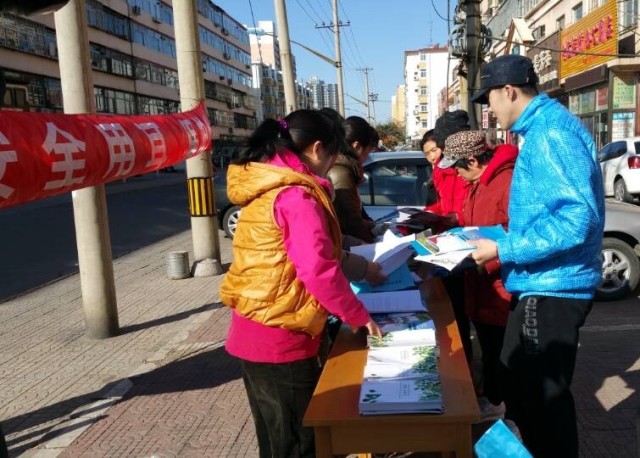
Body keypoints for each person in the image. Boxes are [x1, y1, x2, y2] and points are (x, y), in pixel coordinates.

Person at [220, 110, 382, 458]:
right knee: (299, 444)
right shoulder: (297, 197)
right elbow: (318, 270)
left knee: (277, 438)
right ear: (318, 149)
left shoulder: (267, 186)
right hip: (282, 335)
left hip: (255, 327)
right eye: (334, 155)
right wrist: (359, 316)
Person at [469, 54, 605, 458]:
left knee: (543, 400)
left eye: (489, 99)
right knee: (517, 386)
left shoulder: (550, 133)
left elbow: (577, 219)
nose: (489, 109)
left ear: (508, 91)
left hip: (553, 288)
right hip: (541, 282)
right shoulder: (543, 128)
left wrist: (504, 247)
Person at [438, 130, 518, 423]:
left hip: (501, 285)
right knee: (490, 348)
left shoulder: (506, 183)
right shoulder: (480, 182)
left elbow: (518, 234)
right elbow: (478, 223)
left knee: (499, 352)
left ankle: (501, 407)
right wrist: (454, 224)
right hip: (481, 282)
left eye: (458, 167)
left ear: (472, 160)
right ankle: (494, 400)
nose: (456, 175)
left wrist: (490, 255)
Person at [411, 112, 474, 366]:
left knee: (459, 313)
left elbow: (467, 212)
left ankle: (467, 366)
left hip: (461, 249)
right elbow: (440, 207)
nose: (434, 156)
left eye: (436, 149)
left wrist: (450, 219)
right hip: (444, 246)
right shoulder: (439, 172)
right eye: (428, 153)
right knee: (448, 310)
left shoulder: (462, 170)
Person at [328, 116, 377, 243]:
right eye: (368, 151)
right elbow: (351, 223)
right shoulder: (340, 173)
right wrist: (374, 243)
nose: (368, 157)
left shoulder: (346, 169)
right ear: (356, 146)